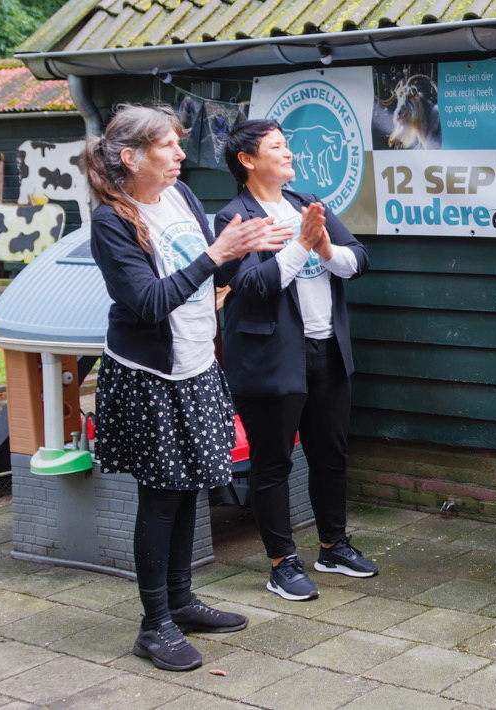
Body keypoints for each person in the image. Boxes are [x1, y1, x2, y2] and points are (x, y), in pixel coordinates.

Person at [85, 104, 291, 671]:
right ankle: (154, 627)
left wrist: (243, 249)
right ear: (131, 158)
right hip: (151, 376)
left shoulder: (181, 197)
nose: (180, 154)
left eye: (179, 143)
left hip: (197, 363)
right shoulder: (112, 221)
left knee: (188, 488)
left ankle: (181, 601)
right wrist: (217, 253)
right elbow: (149, 302)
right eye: (168, 146)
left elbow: (211, 278)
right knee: (161, 497)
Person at [218, 119, 374, 602]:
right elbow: (250, 287)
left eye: (288, 145)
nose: (288, 153)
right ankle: (281, 562)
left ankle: (333, 545)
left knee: (331, 453)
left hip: (327, 347)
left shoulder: (304, 203)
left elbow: (359, 260)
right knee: (273, 463)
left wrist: (323, 245)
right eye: (277, 147)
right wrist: (301, 244)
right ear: (247, 160)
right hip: (269, 358)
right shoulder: (235, 219)